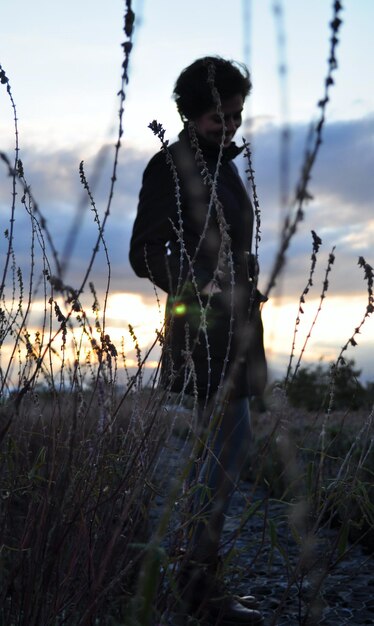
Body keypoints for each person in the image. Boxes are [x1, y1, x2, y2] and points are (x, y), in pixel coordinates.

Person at [129, 56, 266, 625]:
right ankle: (196, 587)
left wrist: (243, 270)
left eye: (235, 117)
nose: (230, 127)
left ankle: (193, 580)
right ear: (189, 113)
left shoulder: (224, 165)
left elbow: (225, 240)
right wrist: (201, 283)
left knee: (227, 453)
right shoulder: (171, 165)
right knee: (225, 453)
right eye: (219, 118)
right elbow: (145, 252)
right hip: (203, 327)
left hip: (238, 326)